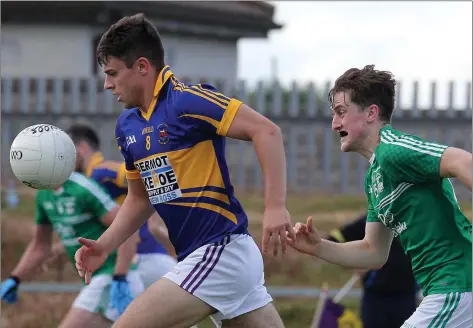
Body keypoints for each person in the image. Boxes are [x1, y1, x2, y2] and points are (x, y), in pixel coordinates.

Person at [74, 13, 295, 328]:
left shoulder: (188, 102)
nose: (107, 84)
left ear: (141, 66)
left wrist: (275, 206)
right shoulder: (128, 126)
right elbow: (139, 199)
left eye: (112, 73)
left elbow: (267, 131)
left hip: (221, 251)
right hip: (207, 258)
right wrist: (105, 245)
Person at [288, 65, 472, 328]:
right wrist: (318, 247)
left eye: (341, 112)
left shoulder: (393, 149)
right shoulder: (374, 177)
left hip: (458, 285)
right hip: (444, 290)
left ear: (371, 113)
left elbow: (462, 161)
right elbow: (373, 252)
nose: (334, 123)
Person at [0, 172, 144, 328]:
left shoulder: (82, 188)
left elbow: (129, 226)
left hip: (110, 277)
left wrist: (120, 276)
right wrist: (15, 278)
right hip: (93, 280)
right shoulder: (43, 195)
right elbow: (40, 246)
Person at [66, 123, 178, 289]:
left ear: (81, 148)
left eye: (66, 150)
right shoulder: (85, 182)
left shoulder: (101, 172)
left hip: (145, 258)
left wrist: (155, 220)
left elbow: (154, 177)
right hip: (137, 260)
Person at [326, 213, 418, 328]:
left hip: (406, 297)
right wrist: (355, 263)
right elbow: (334, 238)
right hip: (375, 299)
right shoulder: (372, 221)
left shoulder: (417, 220)